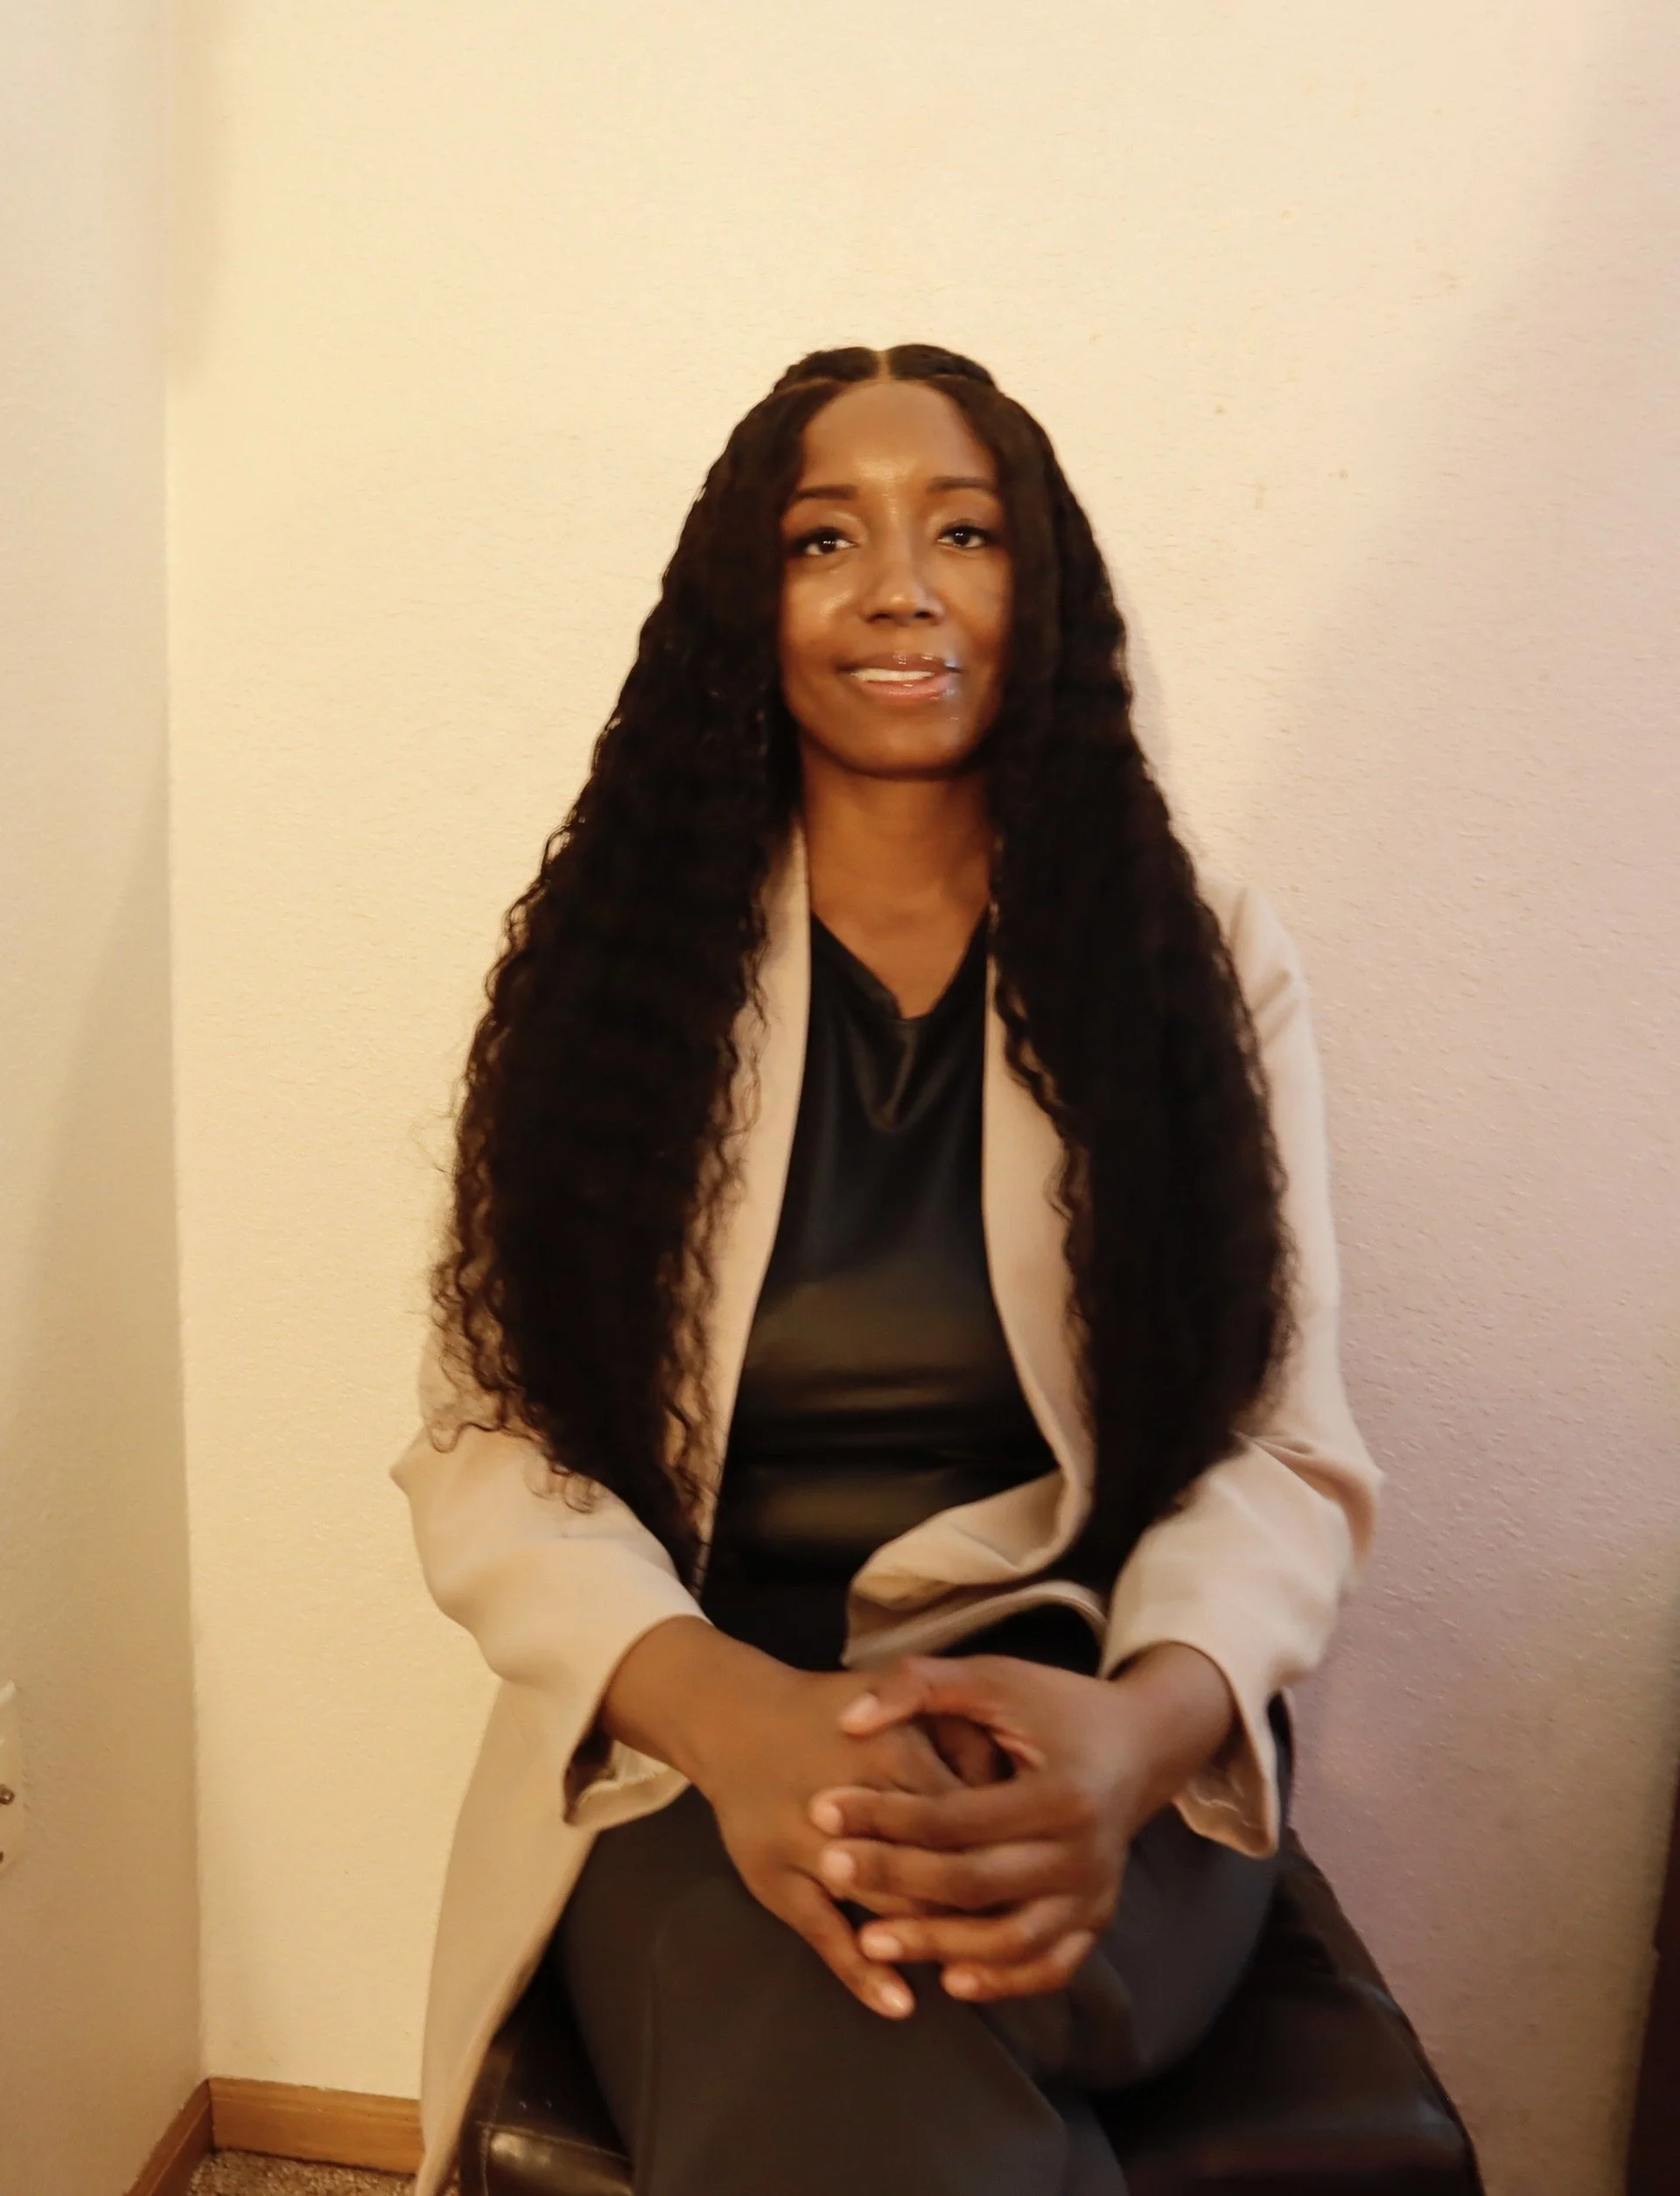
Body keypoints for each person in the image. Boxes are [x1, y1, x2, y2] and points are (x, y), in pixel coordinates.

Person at [392, 343, 1381, 2196]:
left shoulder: (1201, 958)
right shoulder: (611, 967)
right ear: (742, 606)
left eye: (967, 533)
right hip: (705, 1734)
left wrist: (1138, 1734)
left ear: (1043, 591)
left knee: (886, 2014)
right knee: (866, 2047)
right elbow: (488, 1448)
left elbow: (1281, 1443)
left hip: (1084, 1728)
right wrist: (738, 1719)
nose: (902, 587)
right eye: (824, 538)